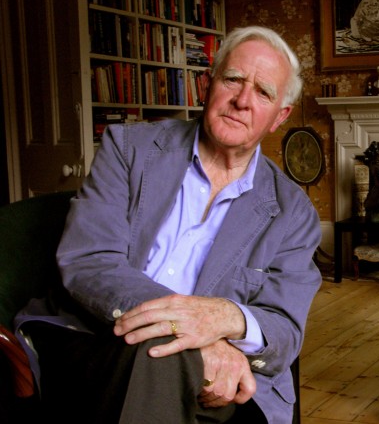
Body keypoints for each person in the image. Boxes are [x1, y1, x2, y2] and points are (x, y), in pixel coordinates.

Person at [14, 26, 322, 424]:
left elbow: (284, 330)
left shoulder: (294, 213)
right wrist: (187, 333)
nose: (242, 100)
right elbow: (89, 260)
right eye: (233, 79)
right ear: (208, 84)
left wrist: (225, 317)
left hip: (227, 377)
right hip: (98, 341)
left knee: (170, 364)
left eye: (263, 92)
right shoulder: (128, 149)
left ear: (279, 116)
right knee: (156, 354)